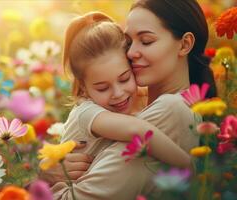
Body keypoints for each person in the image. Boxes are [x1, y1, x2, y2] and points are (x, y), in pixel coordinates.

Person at [39, 0, 217, 199]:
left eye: (146, 41)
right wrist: (44, 174)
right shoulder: (131, 104)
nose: (131, 52)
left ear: (184, 44)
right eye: (129, 42)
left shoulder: (172, 108)